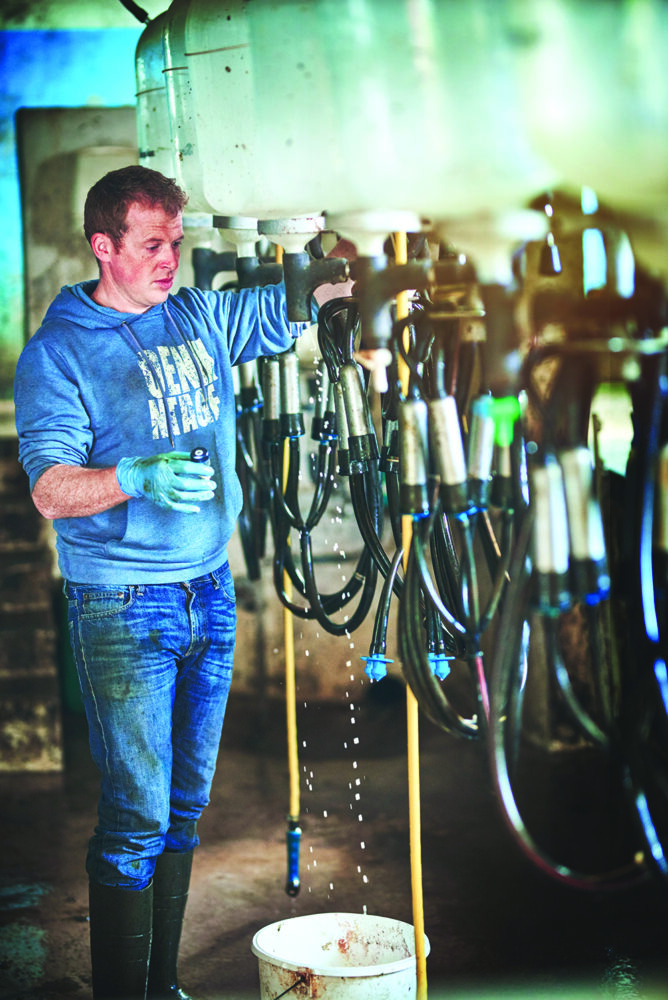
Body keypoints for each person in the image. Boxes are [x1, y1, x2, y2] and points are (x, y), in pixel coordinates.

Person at [13, 165, 308, 1000]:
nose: (170, 258)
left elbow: (285, 305)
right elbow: (48, 487)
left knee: (184, 807)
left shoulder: (194, 313)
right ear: (103, 247)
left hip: (210, 590)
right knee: (136, 818)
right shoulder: (58, 352)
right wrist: (131, 476)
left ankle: (159, 984)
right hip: (123, 607)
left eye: (176, 241)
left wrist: (329, 269)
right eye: (152, 244)